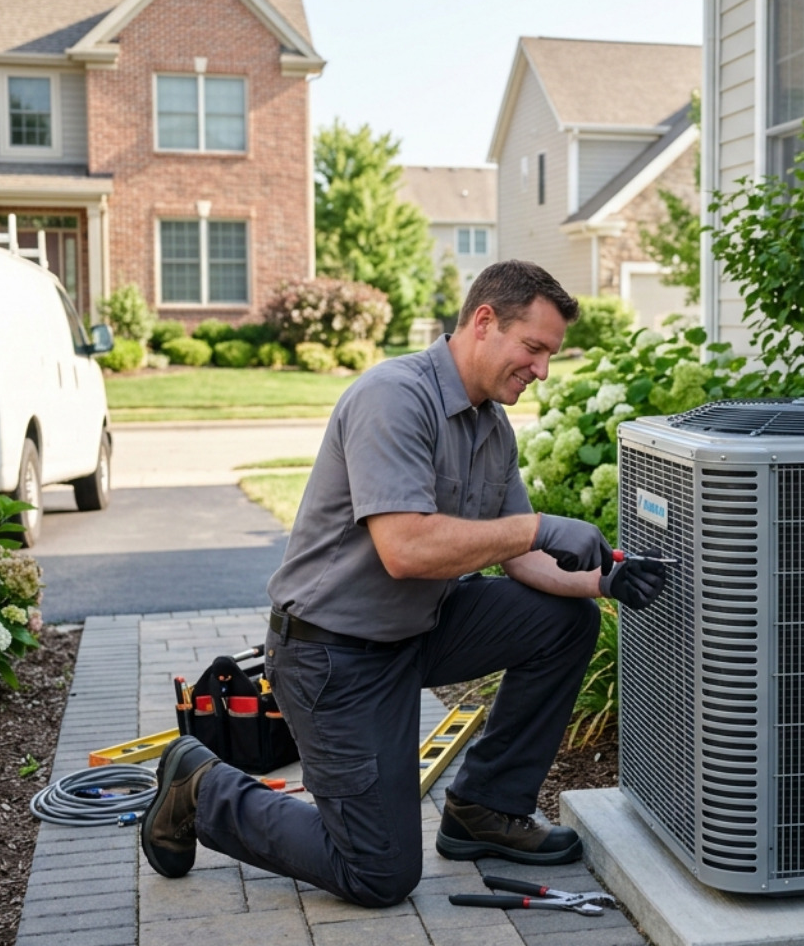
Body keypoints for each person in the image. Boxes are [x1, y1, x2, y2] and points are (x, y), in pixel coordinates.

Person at [139, 261, 669, 907]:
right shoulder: (394, 398)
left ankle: (484, 809)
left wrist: (606, 580)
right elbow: (406, 550)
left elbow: (525, 561)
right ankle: (202, 785)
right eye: (534, 348)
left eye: (550, 355)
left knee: (563, 623)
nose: (543, 369)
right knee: (379, 873)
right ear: (483, 322)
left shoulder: (489, 428)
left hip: (419, 628)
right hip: (332, 654)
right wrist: (536, 527)